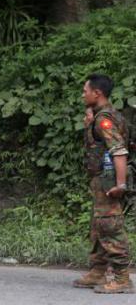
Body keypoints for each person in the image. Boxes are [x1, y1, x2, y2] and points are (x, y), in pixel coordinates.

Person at [73, 74, 133, 294]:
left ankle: (122, 278)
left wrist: (120, 184)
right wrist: (89, 125)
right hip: (101, 180)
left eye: (85, 90)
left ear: (96, 93)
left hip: (109, 181)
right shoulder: (102, 116)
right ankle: (98, 270)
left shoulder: (104, 119)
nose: (83, 94)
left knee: (110, 225)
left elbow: (118, 151)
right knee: (99, 225)